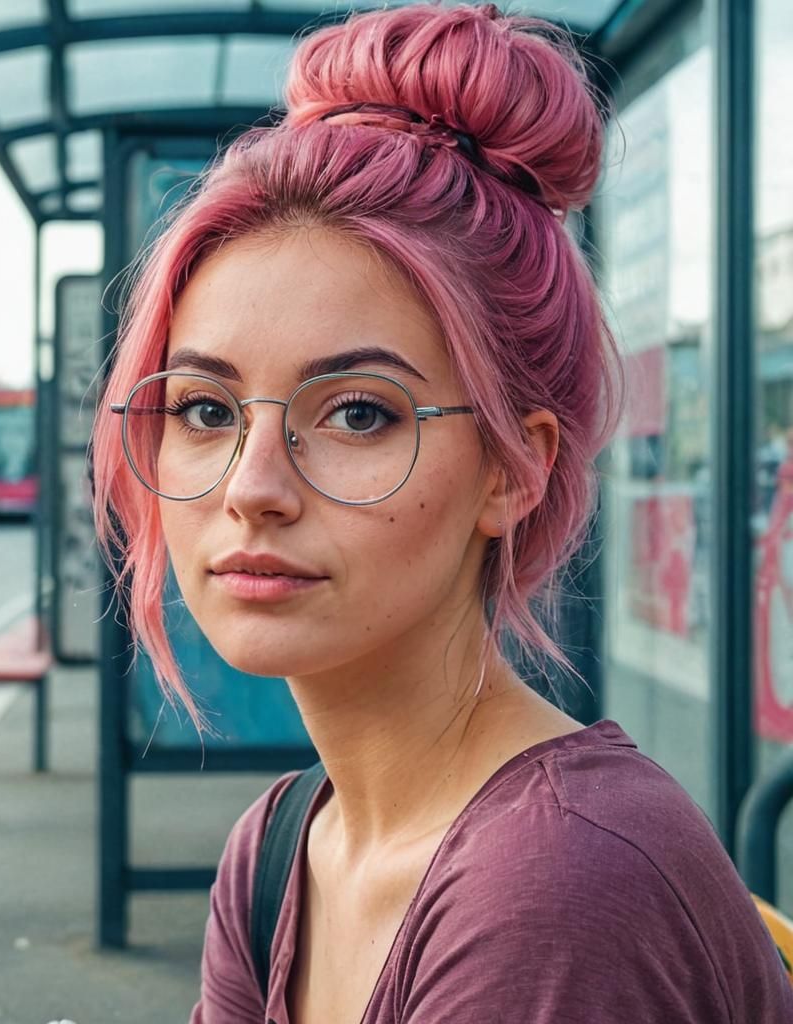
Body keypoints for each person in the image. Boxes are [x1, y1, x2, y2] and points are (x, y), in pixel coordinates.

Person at [90, 4, 793, 1021]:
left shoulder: (558, 887)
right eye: (204, 408)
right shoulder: (279, 851)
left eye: (360, 413)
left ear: (515, 471)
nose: (251, 486)